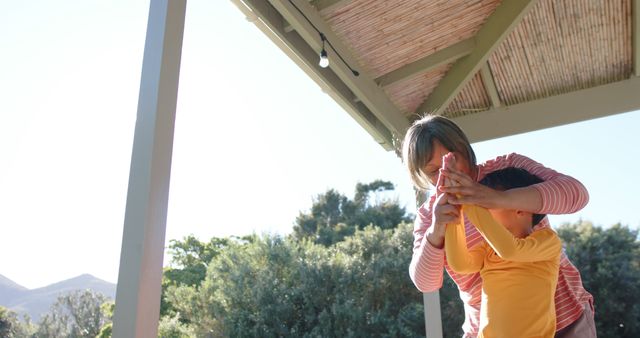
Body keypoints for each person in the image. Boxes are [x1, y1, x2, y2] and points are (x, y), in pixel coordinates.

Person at [401, 114, 595, 338]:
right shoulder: (429, 214)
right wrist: (437, 230)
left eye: (452, 158)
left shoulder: (509, 168)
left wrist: (498, 199)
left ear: (465, 148)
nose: (448, 171)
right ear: (422, 174)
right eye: (434, 171)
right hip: (490, 330)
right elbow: (426, 283)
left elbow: (577, 195)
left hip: (562, 318)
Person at [445, 165, 561, 337]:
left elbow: (510, 250)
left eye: (486, 204)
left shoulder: (548, 241)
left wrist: (467, 200)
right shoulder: (488, 248)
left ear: (520, 208)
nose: (481, 210)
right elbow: (460, 264)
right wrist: (454, 218)